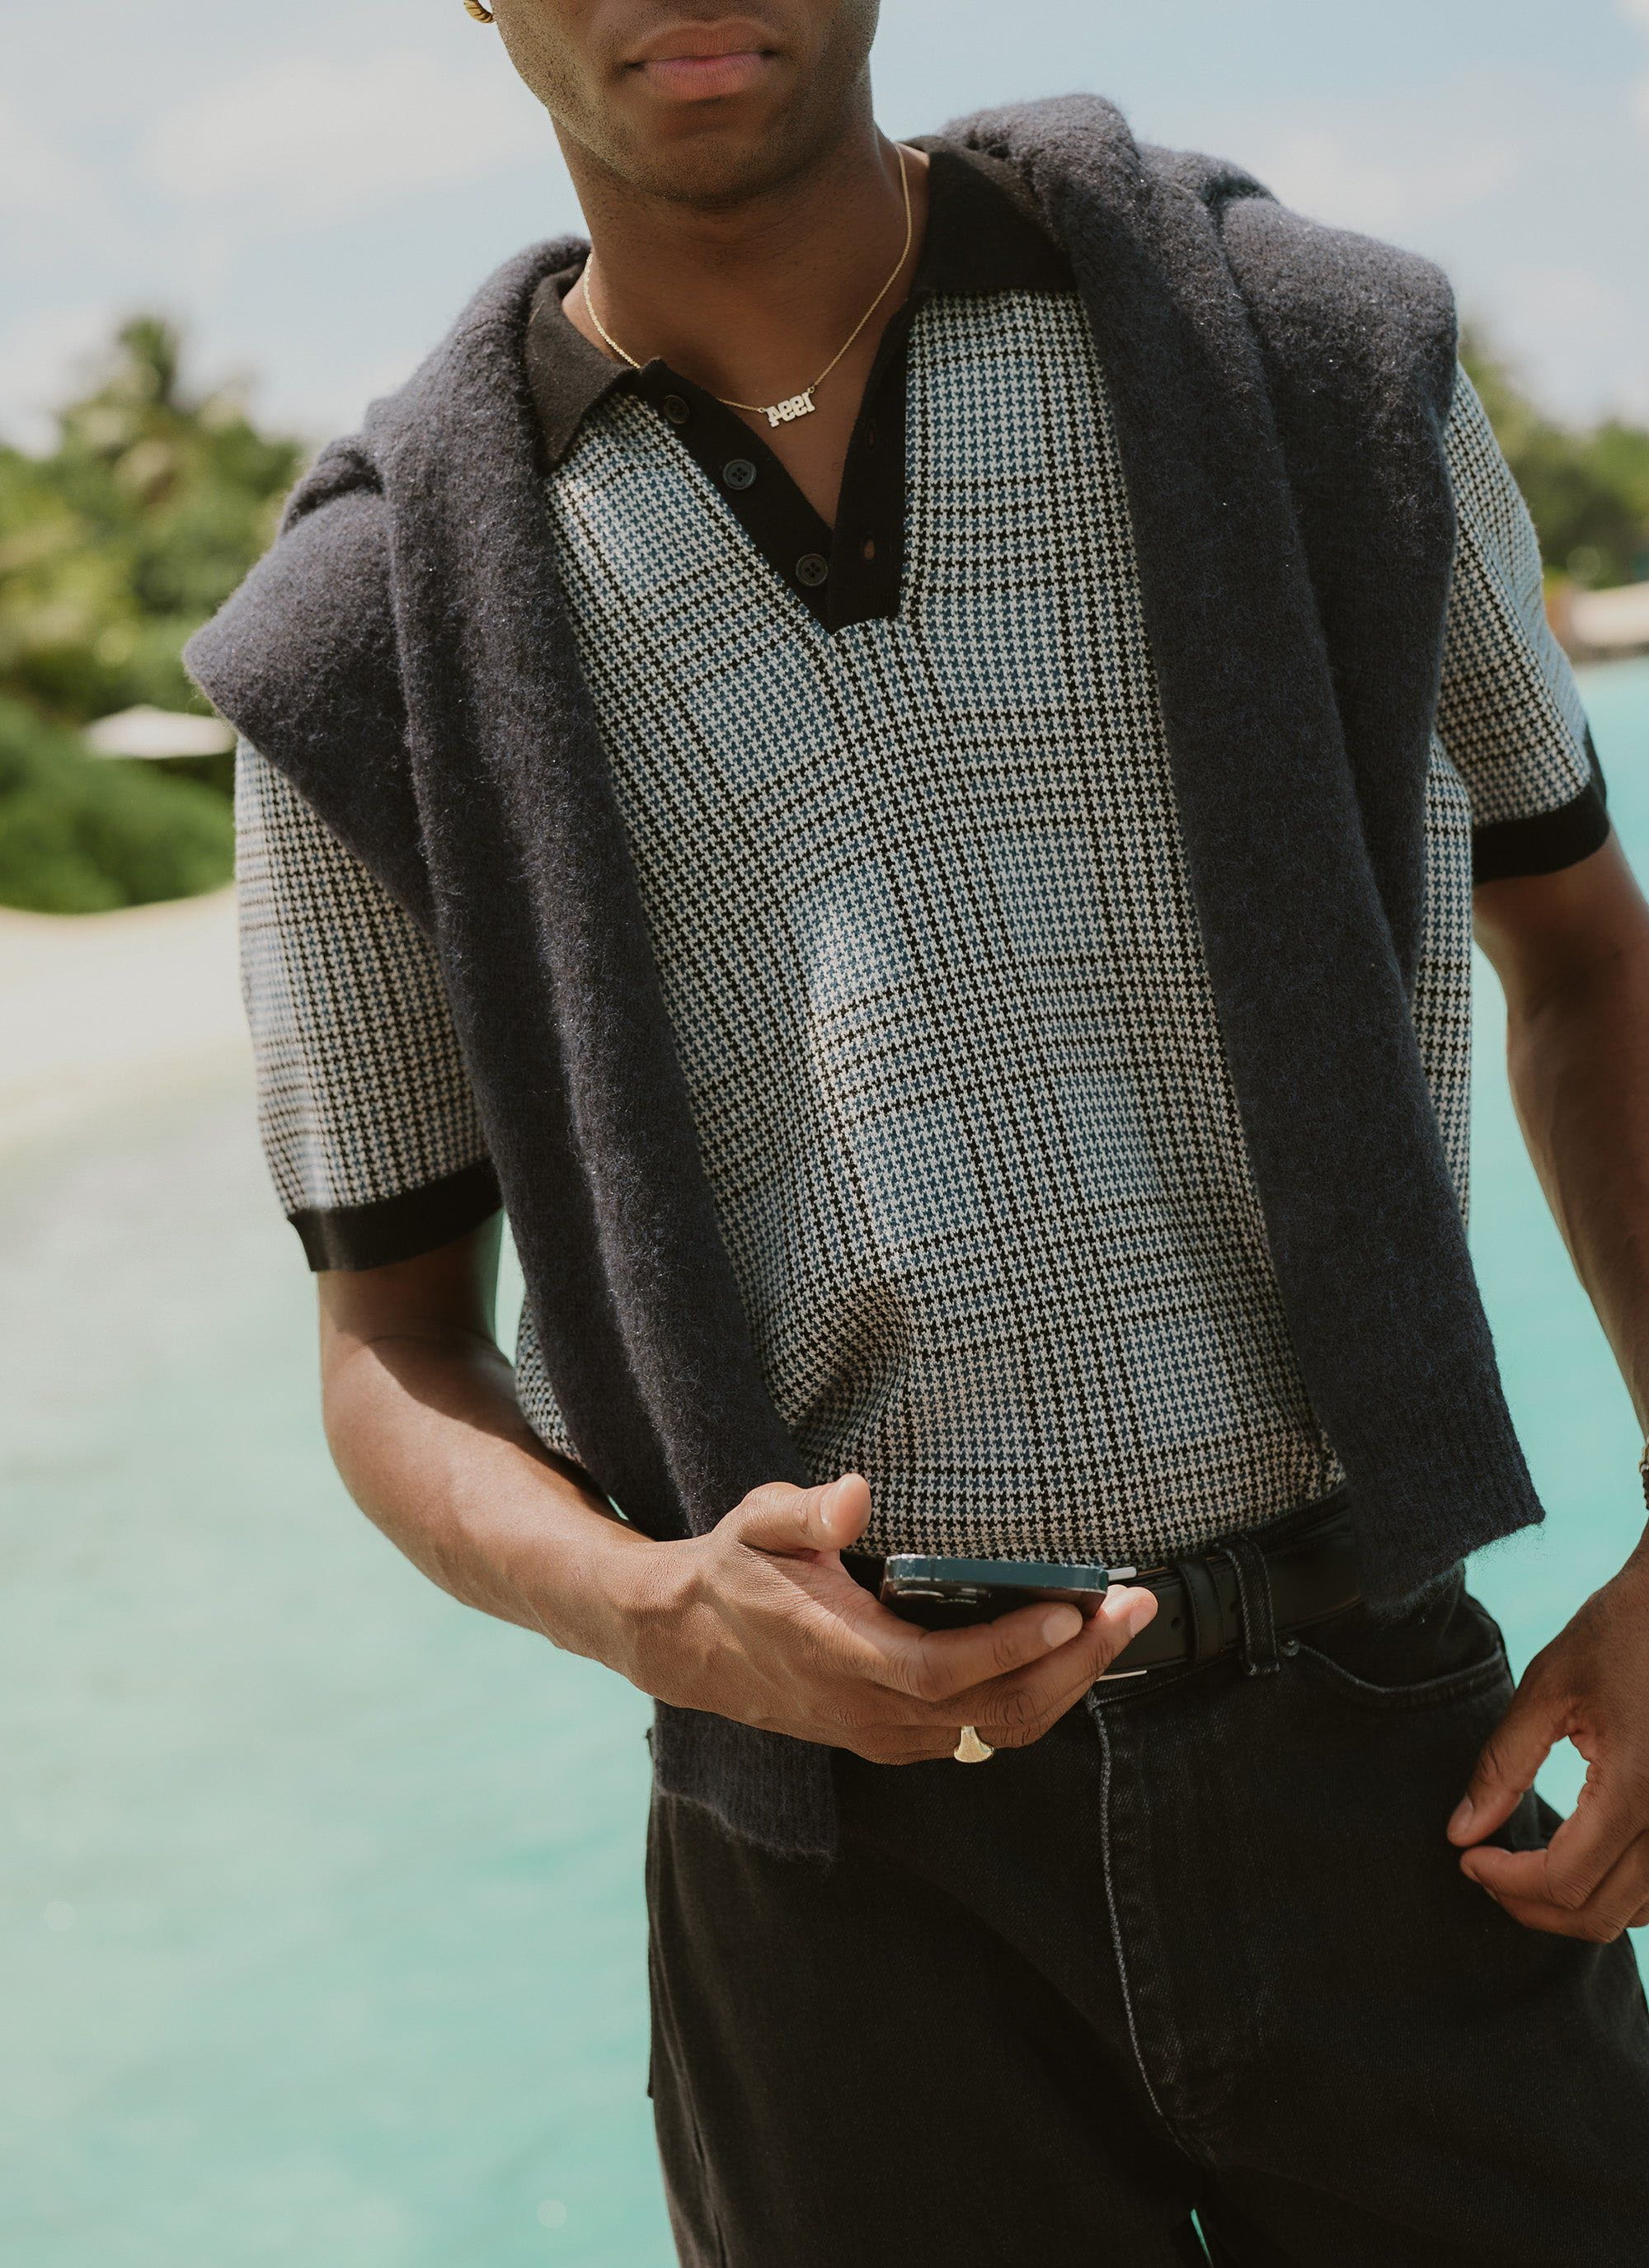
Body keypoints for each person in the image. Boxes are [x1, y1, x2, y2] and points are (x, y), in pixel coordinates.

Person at [189, 4, 1649, 2260]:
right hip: (838, 1903)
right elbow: (392, 1348)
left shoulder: (1307, 361)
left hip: (1394, 1780)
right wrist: (663, 1610)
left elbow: (1585, 953)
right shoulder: (358, 638)